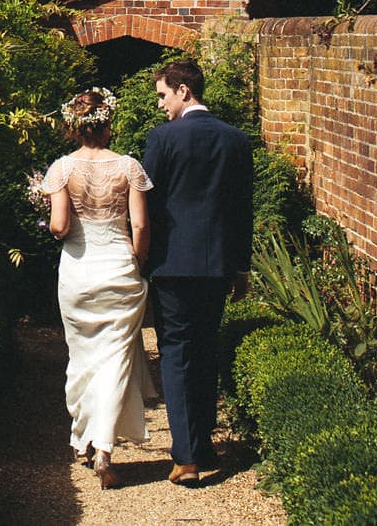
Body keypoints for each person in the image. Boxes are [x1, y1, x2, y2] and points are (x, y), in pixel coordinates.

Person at [142, 58, 254, 486]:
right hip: (218, 265)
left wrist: (141, 256)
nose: (161, 105)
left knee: (176, 353)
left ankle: (187, 457)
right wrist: (240, 266)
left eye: (163, 95)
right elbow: (243, 209)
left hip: (173, 265)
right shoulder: (236, 139)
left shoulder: (163, 138)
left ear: (183, 91)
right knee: (206, 350)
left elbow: (148, 205)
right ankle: (204, 446)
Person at [42, 86, 153, 489]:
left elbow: (59, 227)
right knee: (116, 358)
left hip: (78, 272)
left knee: (84, 355)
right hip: (119, 269)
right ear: (108, 125)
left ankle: (83, 437)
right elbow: (140, 226)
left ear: (75, 126)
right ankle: (103, 448)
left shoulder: (61, 169)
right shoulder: (129, 167)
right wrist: (136, 264)